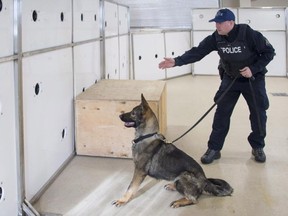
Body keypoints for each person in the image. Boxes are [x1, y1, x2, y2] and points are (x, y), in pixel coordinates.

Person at [158, 8, 275, 164]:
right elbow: (198, 52)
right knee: (221, 114)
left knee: (258, 114)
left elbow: (269, 52)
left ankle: (258, 146)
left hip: (252, 79)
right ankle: (214, 148)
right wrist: (177, 61)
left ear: (231, 22)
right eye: (216, 23)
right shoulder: (216, 38)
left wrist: (253, 69)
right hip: (230, 78)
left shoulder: (248, 34)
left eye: (220, 23)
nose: (217, 26)